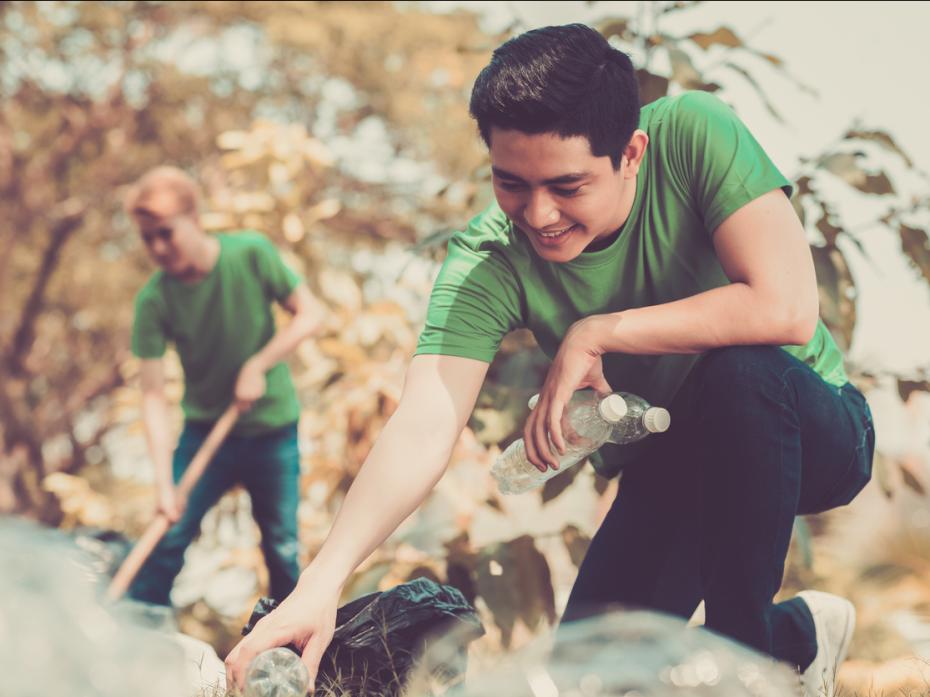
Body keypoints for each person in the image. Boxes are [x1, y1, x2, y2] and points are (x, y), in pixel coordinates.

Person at [225, 25, 874, 696]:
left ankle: (748, 673)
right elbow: (425, 421)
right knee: (586, 680)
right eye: (512, 183)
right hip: (673, 466)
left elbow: (784, 306)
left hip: (808, 430)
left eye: (567, 186)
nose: (539, 214)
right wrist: (321, 582)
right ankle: (798, 636)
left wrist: (596, 332)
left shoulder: (692, 132)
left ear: (630, 153)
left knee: (740, 372)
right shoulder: (489, 258)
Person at [125, 166, 321, 607]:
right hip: (204, 435)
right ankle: (136, 643)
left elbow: (310, 314)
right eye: (147, 238)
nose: (157, 247)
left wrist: (259, 363)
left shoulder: (250, 253)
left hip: (272, 430)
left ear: (193, 218)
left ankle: (290, 662)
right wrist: (162, 483)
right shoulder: (154, 301)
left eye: (165, 233)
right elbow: (153, 395)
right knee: (165, 543)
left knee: (282, 550)